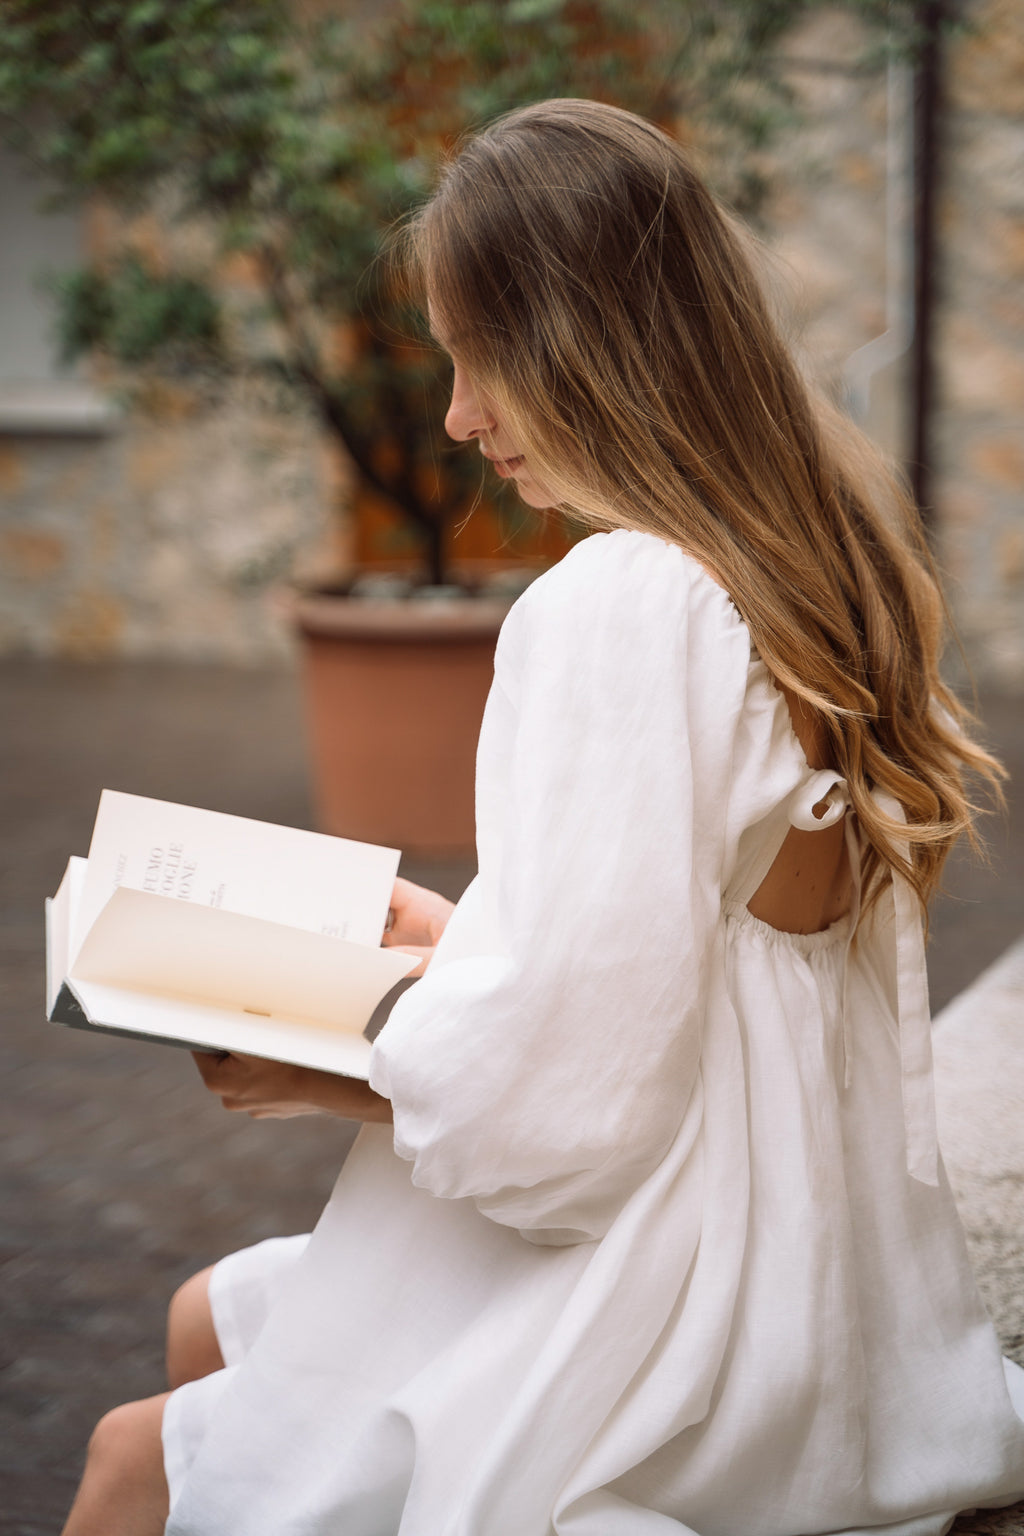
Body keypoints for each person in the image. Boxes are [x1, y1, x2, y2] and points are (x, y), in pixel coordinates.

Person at [62, 99, 1024, 1536]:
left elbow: (566, 1124)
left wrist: (338, 1052)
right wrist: (470, 943)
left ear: (590, 338)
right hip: (824, 1290)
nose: (456, 417)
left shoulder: (625, 602)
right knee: (215, 1313)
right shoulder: (825, 562)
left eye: (477, 356)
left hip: (685, 1312)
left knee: (139, 1458)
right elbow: (726, 955)